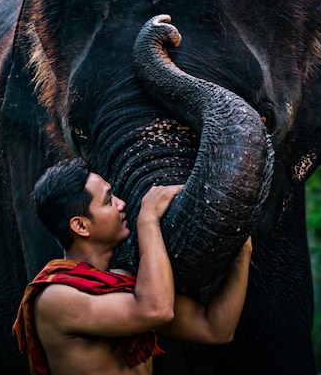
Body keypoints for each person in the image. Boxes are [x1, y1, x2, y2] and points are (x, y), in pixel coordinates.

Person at [13, 158, 252, 375]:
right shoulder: (55, 298)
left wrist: (244, 251)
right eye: (108, 201)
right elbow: (157, 310)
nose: (121, 204)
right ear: (81, 226)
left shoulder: (126, 283)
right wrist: (148, 220)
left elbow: (215, 328)